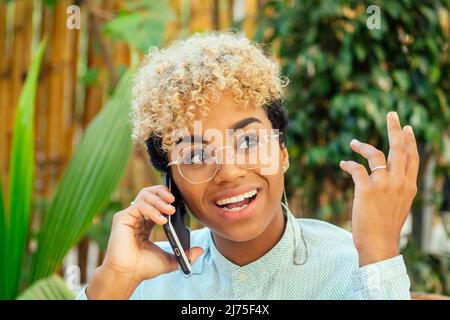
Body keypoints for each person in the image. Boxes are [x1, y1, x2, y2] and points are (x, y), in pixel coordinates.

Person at [76, 31, 418, 300]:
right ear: (171, 182)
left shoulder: (357, 267)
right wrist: (115, 282)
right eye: (195, 155)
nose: (229, 172)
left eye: (249, 142)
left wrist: (379, 253)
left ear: (282, 153)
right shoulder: (143, 280)